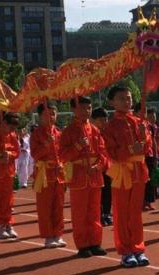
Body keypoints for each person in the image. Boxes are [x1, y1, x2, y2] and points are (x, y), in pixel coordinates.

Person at [103, 85, 151, 268]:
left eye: (129, 98)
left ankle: (138, 248)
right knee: (122, 213)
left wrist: (143, 135)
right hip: (123, 172)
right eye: (121, 98)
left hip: (139, 171)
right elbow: (111, 152)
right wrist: (130, 149)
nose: (126, 101)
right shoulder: (110, 127)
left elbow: (147, 146)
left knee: (135, 214)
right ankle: (125, 251)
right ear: (112, 102)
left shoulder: (139, 122)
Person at [59, 96, 107, 258]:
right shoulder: (68, 131)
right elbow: (63, 155)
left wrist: (98, 166)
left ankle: (95, 242)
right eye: (82, 108)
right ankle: (83, 244)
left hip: (94, 175)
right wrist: (78, 146)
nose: (86, 111)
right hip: (79, 175)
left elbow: (103, 153)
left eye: (89, 108)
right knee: (80, 212)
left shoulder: (95, 130)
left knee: (94, 211)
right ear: (73, 109)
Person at [30, 101, 66, 248]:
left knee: (59, 205)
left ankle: (58, 234)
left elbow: (63, 153)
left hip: (58, 173)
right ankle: (48, 235)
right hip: (44, 174)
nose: (51, 116)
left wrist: (62, 165)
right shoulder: (36, 134)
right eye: (47, 114)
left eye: (53, 113)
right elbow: (35, 154)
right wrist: (45, 145)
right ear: (40, 117)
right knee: (45, 206)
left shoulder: (59, 134)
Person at [91, 107, 113, 227]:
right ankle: (98, 214)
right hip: (95, 167)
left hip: (107, 167)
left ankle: (106, 214)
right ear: (93, 120)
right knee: (97, 193)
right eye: (101, 120)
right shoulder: (91, 133)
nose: (104, 123)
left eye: (105, 120)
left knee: (107, 192)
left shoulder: (107, 133)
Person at [144, 108, 159, 210]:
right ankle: (147, 201)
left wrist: (157, 155)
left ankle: (152, 198)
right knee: (148, 180)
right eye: (150, 116)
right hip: (148, 155)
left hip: (157, 154)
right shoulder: (145, 128)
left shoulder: (158, 129)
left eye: (154, 116)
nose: (152, 118)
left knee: (155, 178)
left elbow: (158, 143)